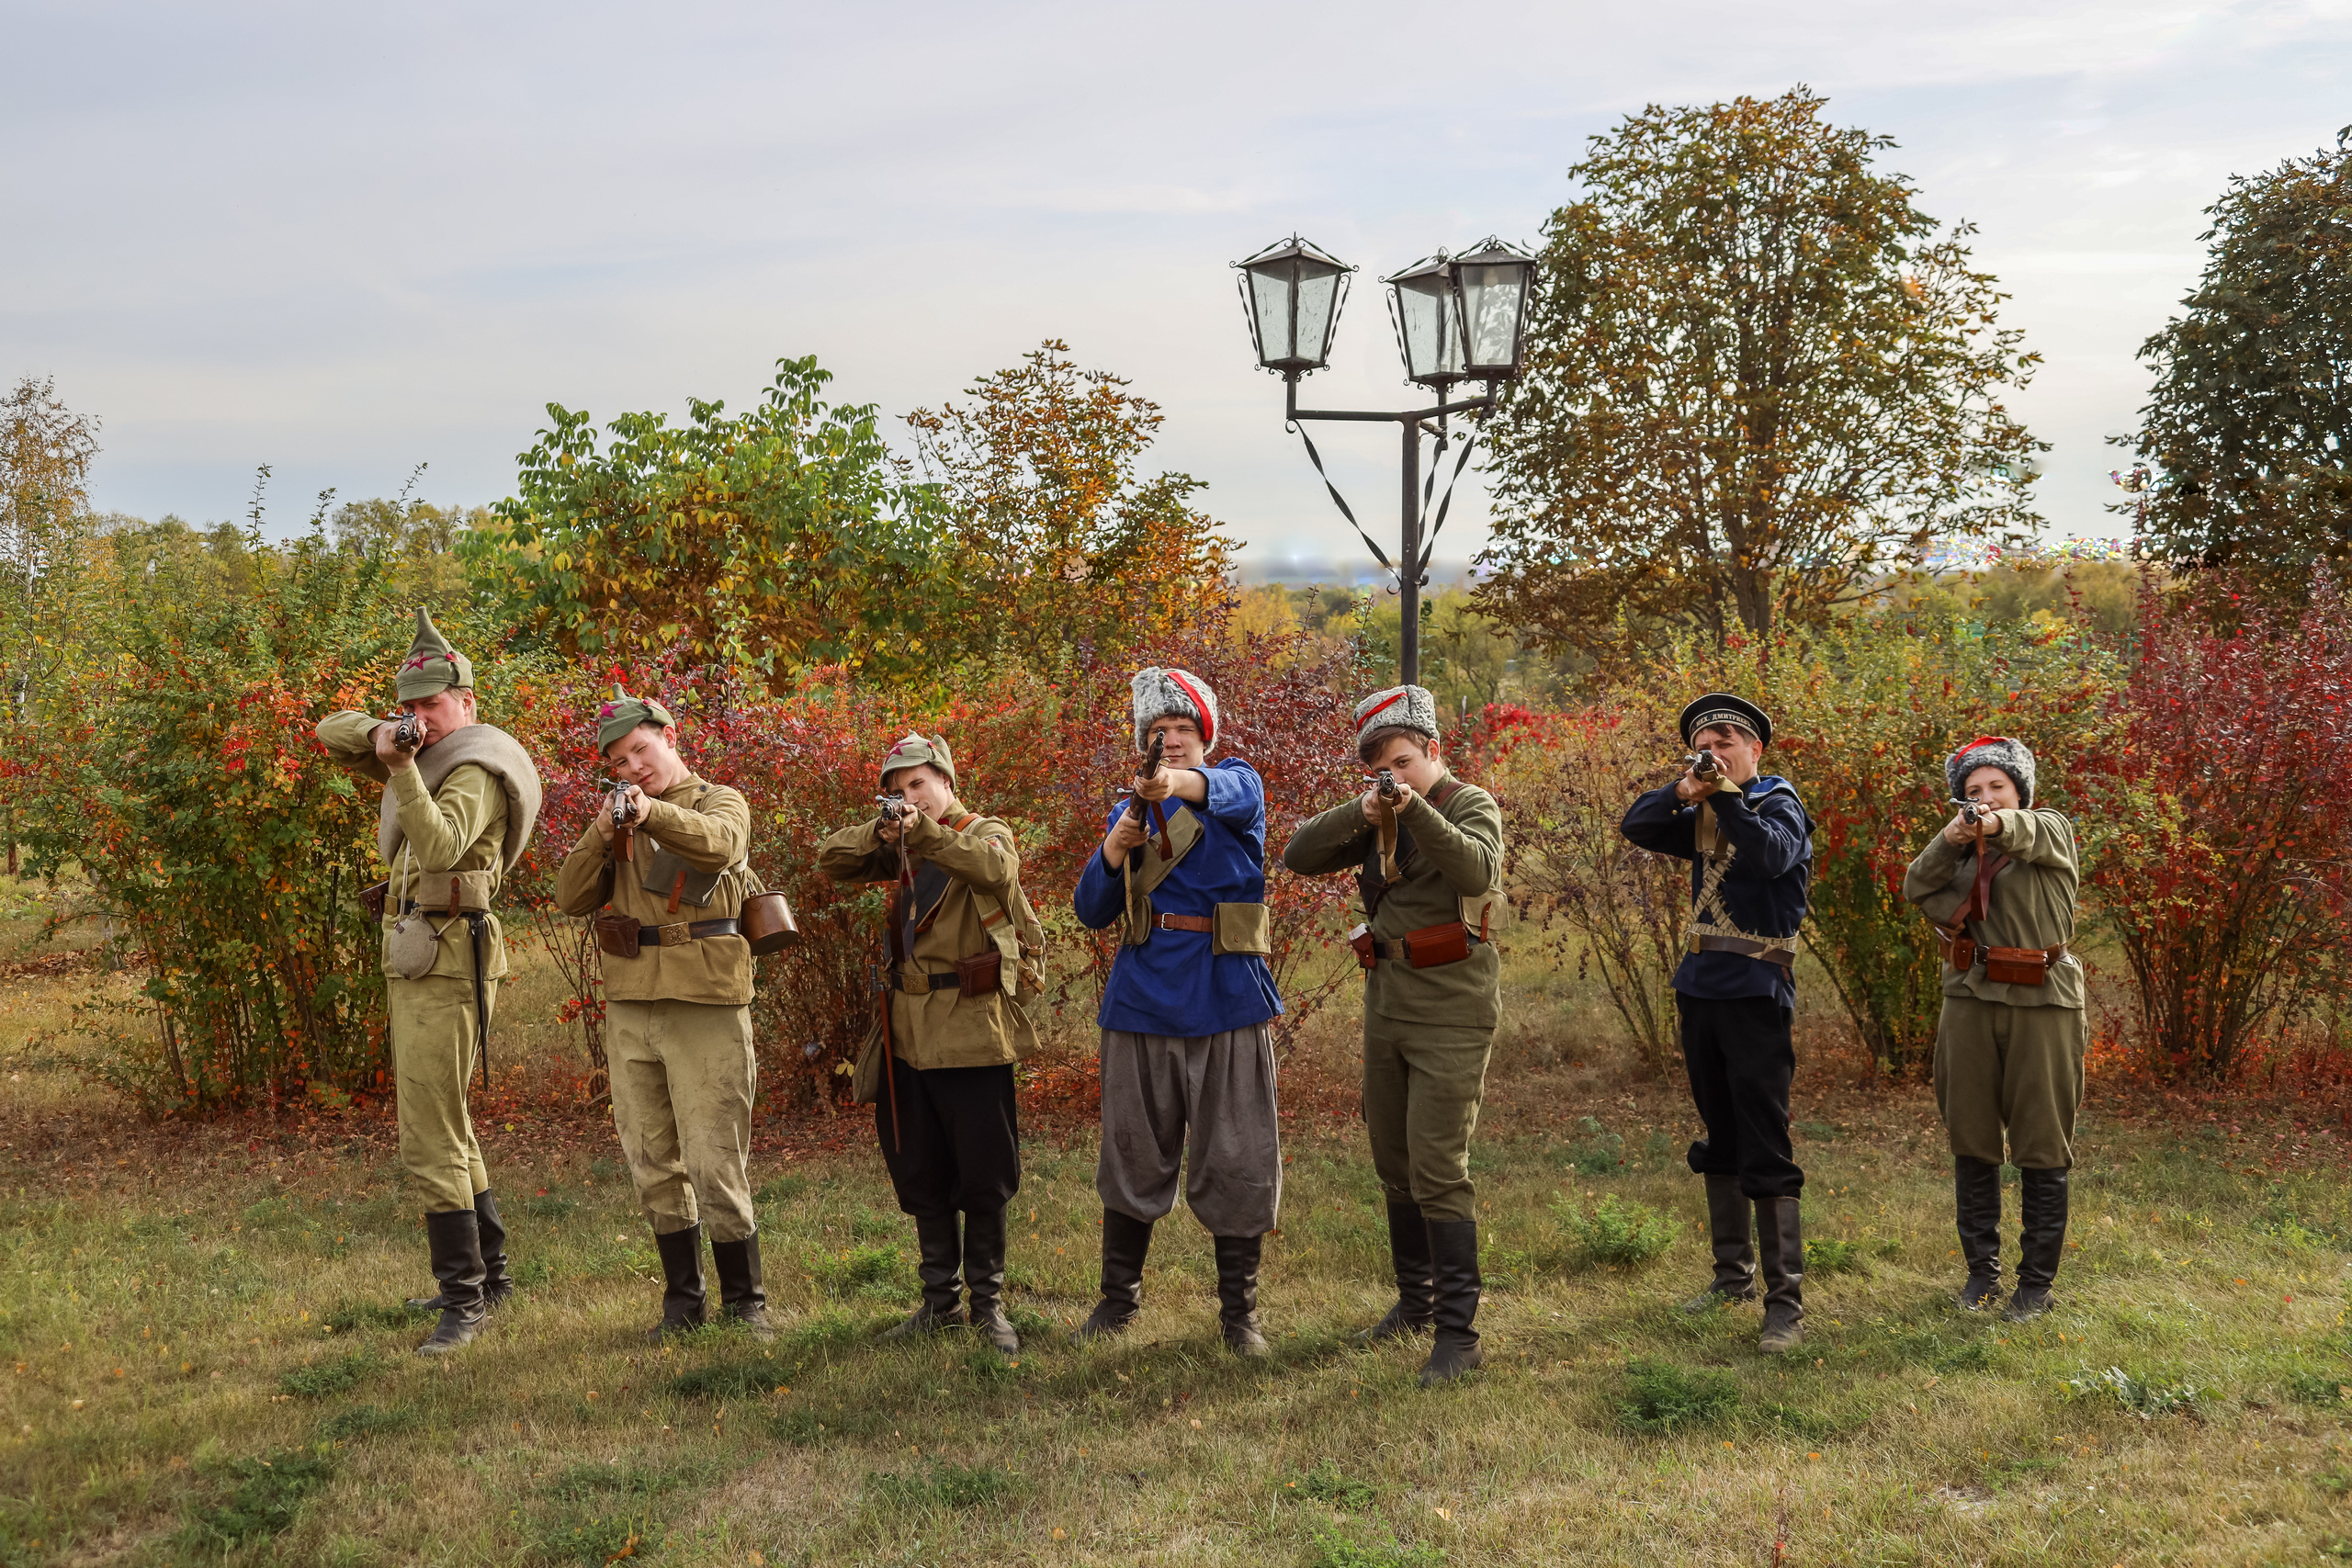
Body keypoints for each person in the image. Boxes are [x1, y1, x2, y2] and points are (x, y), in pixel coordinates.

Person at [314, 610, 543, 1355]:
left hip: (449, 955)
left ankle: (463, 1301)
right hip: (422, 952)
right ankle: (491, 1278)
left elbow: (441, 847)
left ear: (467, 701)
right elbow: (327, 731)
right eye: (408, 706)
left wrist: (402, 765)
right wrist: (385, 734)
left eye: (432, 705)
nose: (420, 718)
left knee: (429, 1133)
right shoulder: (422, 747)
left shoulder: (474, 766)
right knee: (449, 1120)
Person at [1281, 684, 1505, 1385]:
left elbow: (1477, 868)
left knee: (1438, 1166)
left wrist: (1413, 810)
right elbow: (1297, 855)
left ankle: (1459, 1335)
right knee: (1394, 1160)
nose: (1396, 776)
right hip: (1388, 1003)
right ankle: (1415, 1302)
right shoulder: (1376, 812)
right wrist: (1365, 810)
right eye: (1383, 768)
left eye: (1405, 762)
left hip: (1453, 1007)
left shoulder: (1469, 803)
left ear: (1434, 750)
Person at [1069, 668, 1285, 1354]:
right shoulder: (1127, 813)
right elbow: (1090, 909)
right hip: (1141, 1000)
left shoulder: (1236, 785)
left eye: (1183, 729)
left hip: (1227, 996)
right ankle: (1118, 1300)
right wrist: (1115, 847)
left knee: (1239, 1155)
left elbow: (1228, 793)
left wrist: (1176, 785)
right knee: (1131, 1153)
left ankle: (1239, 1315)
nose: (1170, 740)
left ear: (1204, 737)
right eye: (1157, 731)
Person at [555, 691, 772, 1341]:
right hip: (632, 1005)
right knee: (650, 1156)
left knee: (713, 1157)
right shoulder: (616, 825)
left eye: (641, 750)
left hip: (704, 1000)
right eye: (620, 763)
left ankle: (746, 1303)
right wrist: (602, 831)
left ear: (670, 736)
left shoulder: (718, 800)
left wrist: (651, 813)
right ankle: (683, 1302)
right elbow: (570, 896)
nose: (633, 768)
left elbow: (721, 845)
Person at [818, 734, 1037, 1355]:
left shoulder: (982, 831)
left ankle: (987, 1306)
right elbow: (831, 859)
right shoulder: (903, 845)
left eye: (918, 784)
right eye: (896, 790)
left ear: (945, 780)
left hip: (971, 1028)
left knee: (983, 1171)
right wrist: (883, 832)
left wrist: (927, 833)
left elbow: (995, 869)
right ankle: (940, 1302)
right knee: (920, 1165)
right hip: (906, 1030)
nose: (909, 797)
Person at [1620, 694, 1814, 1355]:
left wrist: (1726, 794)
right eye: (1703, 743)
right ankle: (1733, 1278)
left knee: (1765, 1139)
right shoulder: (1703, 807)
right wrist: (1684, 790)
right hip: (1699, 987)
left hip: (1757, 990)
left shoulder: (1779, 803)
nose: (1714, 750)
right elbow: (1638, 824)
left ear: (1755, 749)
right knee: (1720, 1132)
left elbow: (1771, 855)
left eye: (1726, 740)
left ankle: (1785, 1306)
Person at [1903, 736, 2084, 1323]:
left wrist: (1996, 822)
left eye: (1996, 787)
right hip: (1970, 997)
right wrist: (1952, 836)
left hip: (2045, 1001)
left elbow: (2025, 830)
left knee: (2042, 1142)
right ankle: (1981, 1275)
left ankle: (2036, 1286)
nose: (1984, 797)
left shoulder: (2050, 829)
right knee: (1972, 1136)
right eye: (1972, 790)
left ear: (2020, 791)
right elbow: (1916, 886)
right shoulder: (1959, 852)